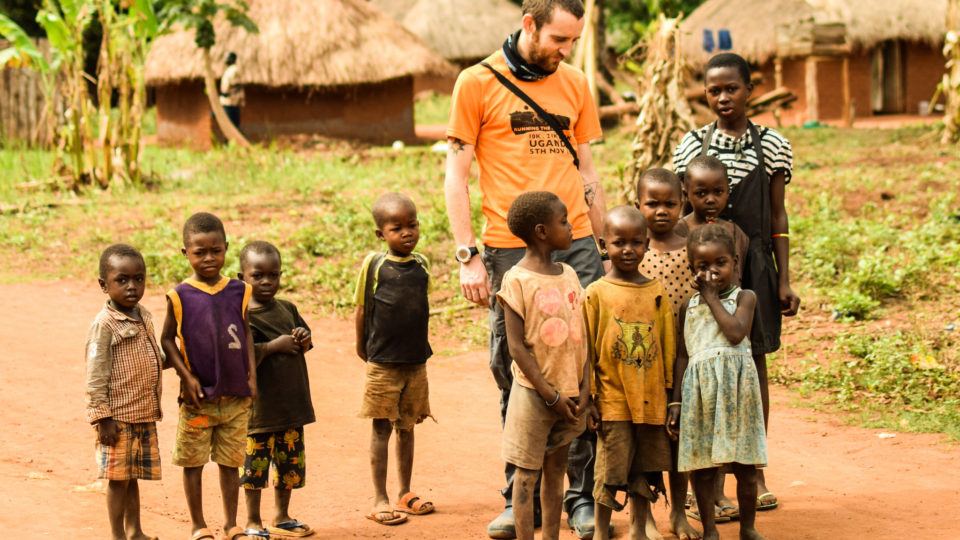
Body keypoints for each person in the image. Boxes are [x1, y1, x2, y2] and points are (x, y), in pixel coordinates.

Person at [444, 0, 608, 536]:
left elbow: (588, 171)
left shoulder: (577, 84)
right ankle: (522, 496)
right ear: (529, 23)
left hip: (577, 242)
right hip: (508, 249)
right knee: (513, 369)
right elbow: (458, 174)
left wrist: (602, 241)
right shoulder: (476, 82)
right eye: (559, 39)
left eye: (573, 42)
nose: (566, 51)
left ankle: (579, 497)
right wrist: (468, 254)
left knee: (579, 364)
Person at [672, 52, 800, 512]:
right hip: (701, 271)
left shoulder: (773, 145)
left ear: (750, 90)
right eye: (713, 90)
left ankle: (754, 469)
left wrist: (784, 278)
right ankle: (713, 482)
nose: (723, 98)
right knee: (702, 363)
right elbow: (678, 208)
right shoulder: (690, 145)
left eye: (732, 89)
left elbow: (778, 214)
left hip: (756, 271)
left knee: (753, 366)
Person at [495, 191, 591, 540]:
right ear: (541, 231)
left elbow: (582, 336)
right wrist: (549, 395)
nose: (570, 226)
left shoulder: (568, 274)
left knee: (557, 468)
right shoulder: (516, 281)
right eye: (563, 221)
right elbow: (517, 348)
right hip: (535, 396)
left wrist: (585, 387)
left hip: (570, 393)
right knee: (526, 474)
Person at [160, 212, 258, 540]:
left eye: (216, 250)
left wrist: (252, 379)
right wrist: (186, 377)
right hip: (198, 398)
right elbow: (166, 339)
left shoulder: (239, 291)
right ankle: (198, 525)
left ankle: (231, 524)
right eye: (199, 252)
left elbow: (245, 333)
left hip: (235, 395)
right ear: (184, 252)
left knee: (231, 462)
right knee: (194, 462)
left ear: (226, 248)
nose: (208, 258)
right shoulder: (179, 296)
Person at [667, 224, 767, 540]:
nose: (712, 272)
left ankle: (748, 528)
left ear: (735, 262)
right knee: (704, 468)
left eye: (720, 263)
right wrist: (676, 401)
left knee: (746, 469)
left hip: (737, 393)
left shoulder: (745, 298)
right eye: (702, 266)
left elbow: (736, 333)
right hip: (701, 395)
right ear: (691, 269)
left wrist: (711, 298)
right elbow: (683, 356)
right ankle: (710, 529)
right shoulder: (688, 307)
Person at [583, 206, 675, 540]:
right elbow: (587, 352)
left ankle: (639, 526)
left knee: (645, 465)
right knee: (609, 468)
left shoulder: (656, 291)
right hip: (613, 399)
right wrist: (589, 397)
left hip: (651, 400)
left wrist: (669, 395)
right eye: (619, 242)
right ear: (604, 244)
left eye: (637, 242)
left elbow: (667, 347)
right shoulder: (595, 293)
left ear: (647, 243)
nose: (628, 249)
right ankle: (600, 530)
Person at [354, 193, 435, 527]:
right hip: (383, 362)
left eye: (412, 225)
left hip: (415, 362)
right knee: (381, 428)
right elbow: (361, 309)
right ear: (380, 234)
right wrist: (362, 347)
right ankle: (379, 498)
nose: (407, 233)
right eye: (396, 228)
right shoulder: (374, 265)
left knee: (408, 427)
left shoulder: (422, 265)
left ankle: (404, 492)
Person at [634, 169, 703, 540]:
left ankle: (678, 511)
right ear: (637, 205)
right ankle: (642, 517)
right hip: (642, 359)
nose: (662, 211)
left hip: (684, 356)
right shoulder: (632, 245)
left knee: (680, 438)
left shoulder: (692, 244)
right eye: (652, 203)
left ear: (683, 203)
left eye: (670, 203)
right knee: (644, 439)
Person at [86, 244, 164, 540]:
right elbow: (95, 375)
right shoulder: (104, 325)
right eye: (122, 280)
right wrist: (101, 417)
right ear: (104, 285)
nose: (132, 286)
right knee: (117, 480)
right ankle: (118, 535)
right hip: (117, 419)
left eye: (139, 278)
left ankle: (135, 531)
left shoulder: (143, 315)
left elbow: (153, 357)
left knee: (132, 478)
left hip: (143, 413)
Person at [238, 241, 315, 538]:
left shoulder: (287, 308)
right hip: (259, 412)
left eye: (274, 275)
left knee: (289, 466)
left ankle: (281, 517)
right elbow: (241, 359)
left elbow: (304, 343)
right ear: (241, 277)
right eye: (258, 275)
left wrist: (302, 337)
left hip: (291, 407)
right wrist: (272, 346)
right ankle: (253, 520)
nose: (267, 281)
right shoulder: (242, 315)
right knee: (254, 469)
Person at [676, 156, 749, 287]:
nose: (710, 199)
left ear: (728, 191)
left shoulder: (735, 233)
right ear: (686, 194)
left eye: (718, 192)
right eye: (701, 193)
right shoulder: (677, 231)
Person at [220, 52, 244, 130]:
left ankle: (232, 141)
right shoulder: (230, 70)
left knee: (231, 124)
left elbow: (235, 85)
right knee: (230, 123)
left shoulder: (233, 70)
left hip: (231, 101)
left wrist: (227, 94)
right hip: (229, 101)